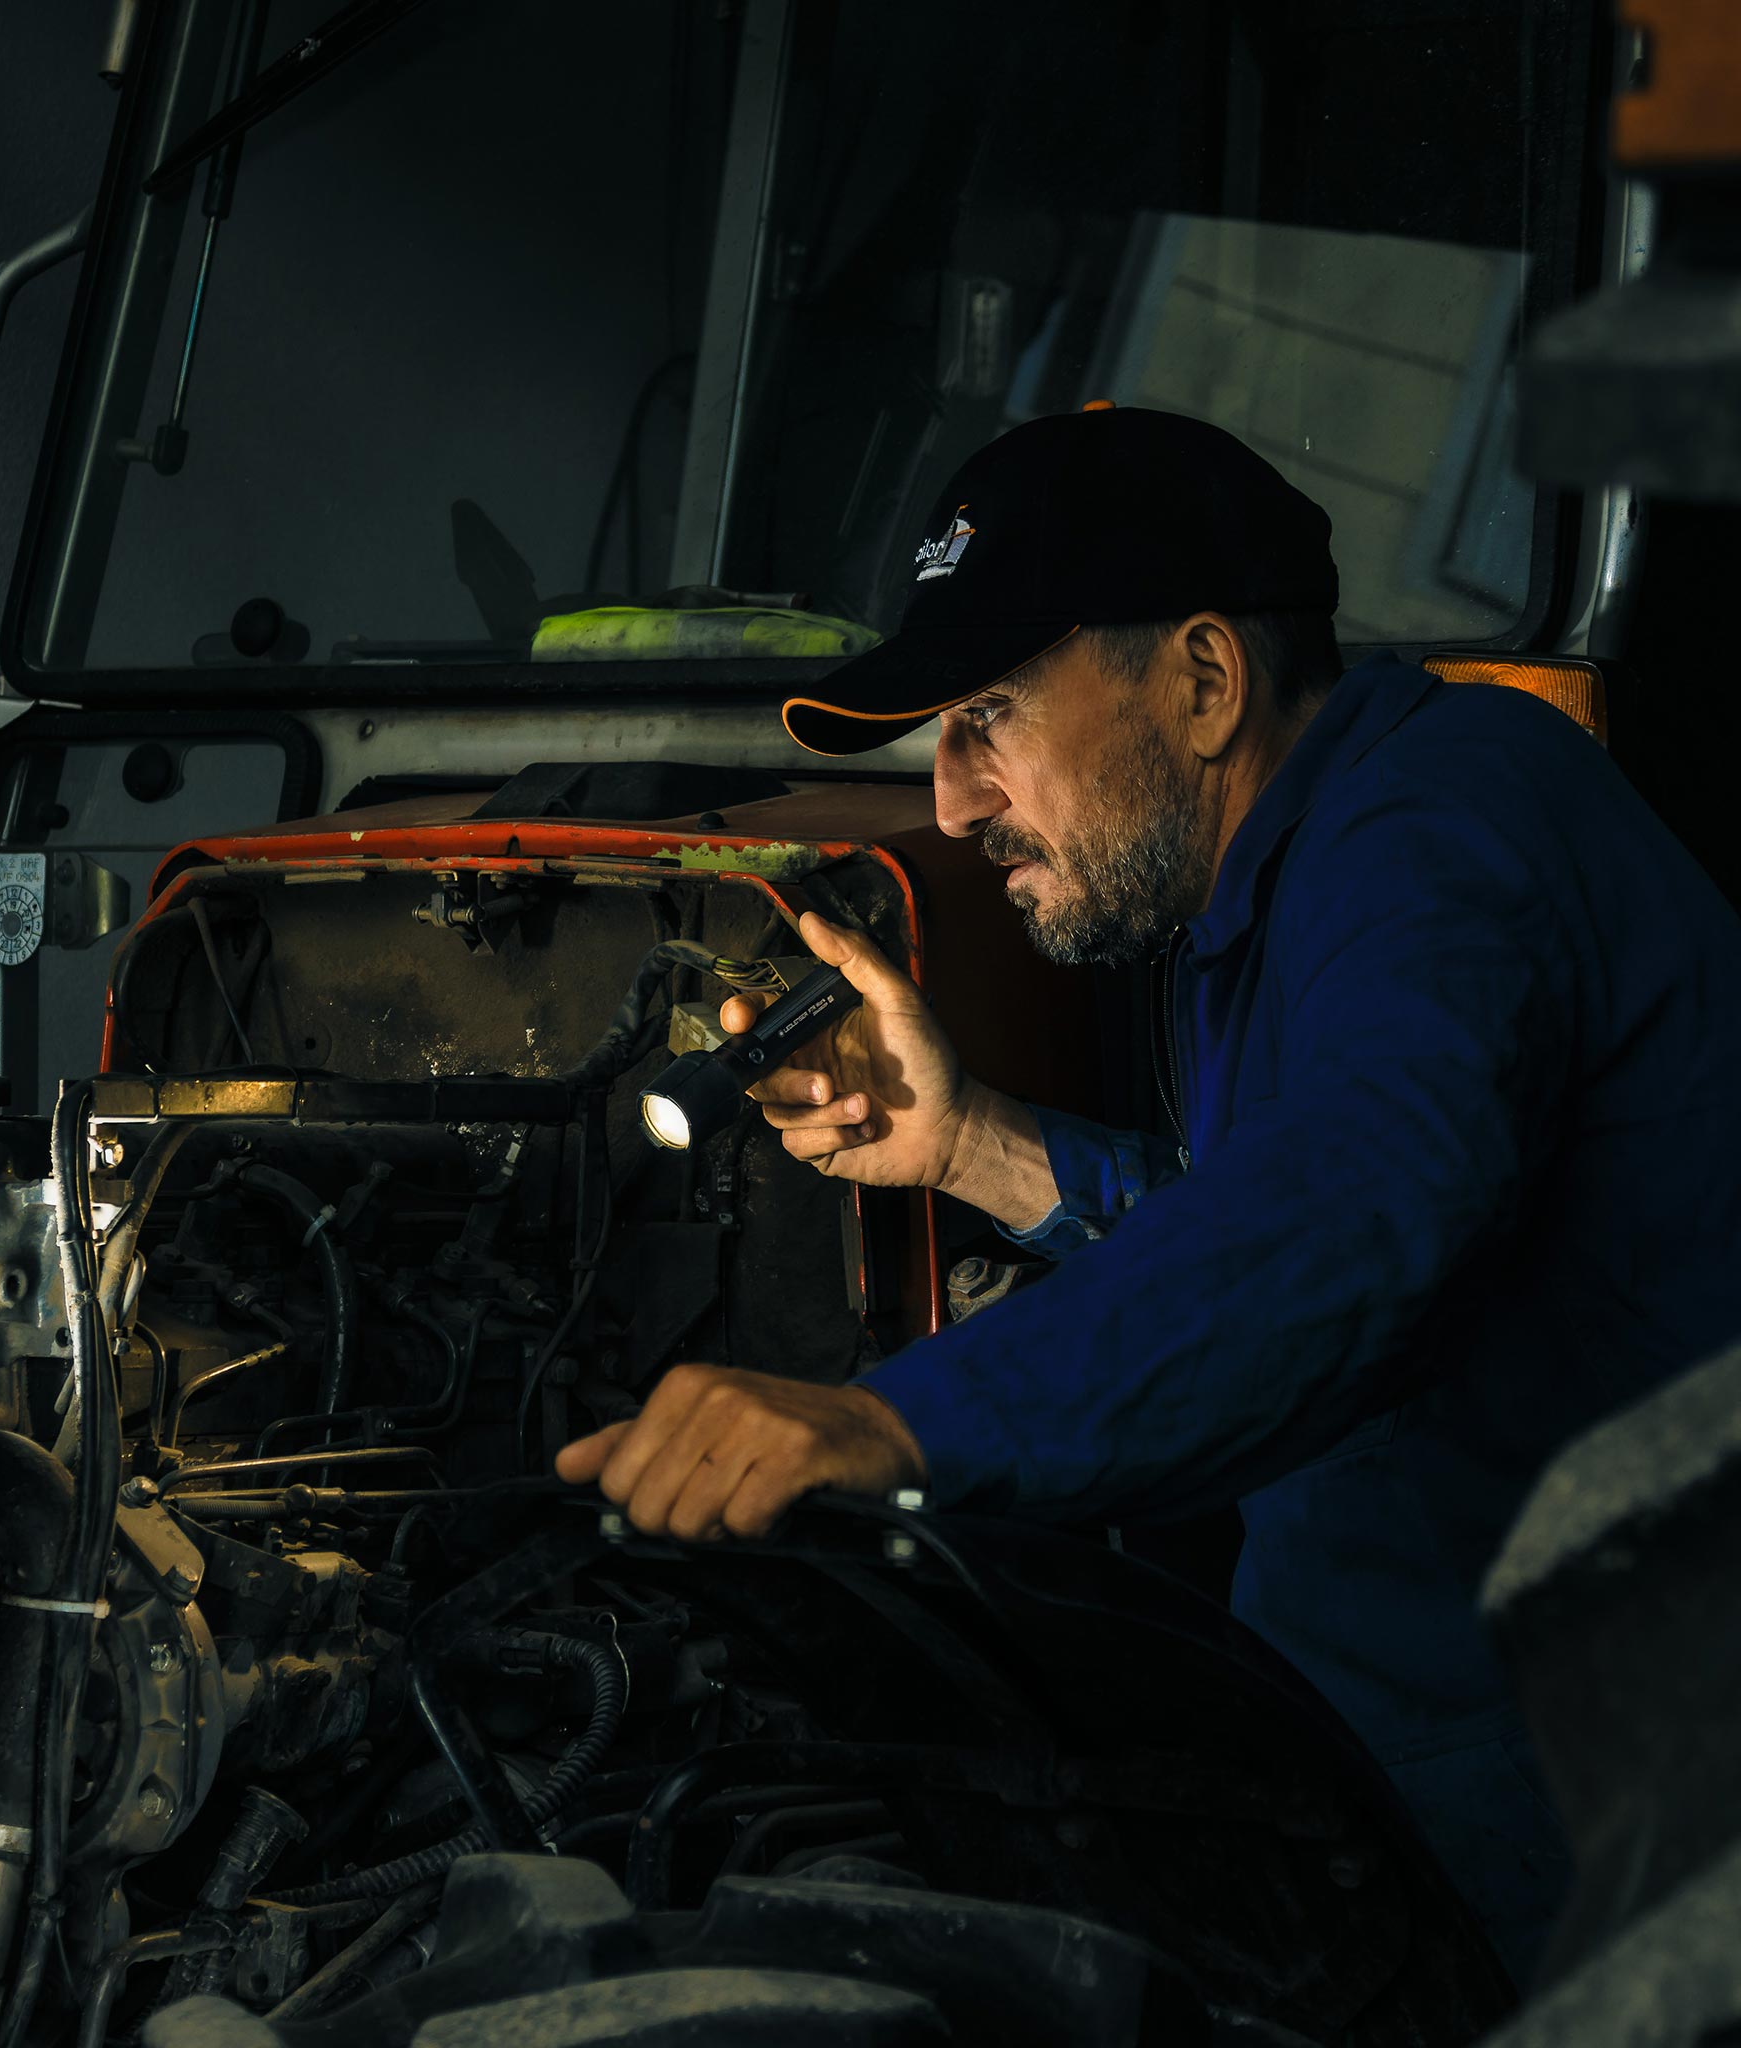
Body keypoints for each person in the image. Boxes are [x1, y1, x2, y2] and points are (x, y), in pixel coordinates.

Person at [554, 406, 1741, 1982]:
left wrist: (897, 1425)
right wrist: (967, 1140)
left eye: (989, 715)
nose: (958, 804)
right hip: (1417, 1777)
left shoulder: (1443, 834)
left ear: (1202, 680)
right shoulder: (1280, 880)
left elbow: (1349, 1222)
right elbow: (1252, 1222)